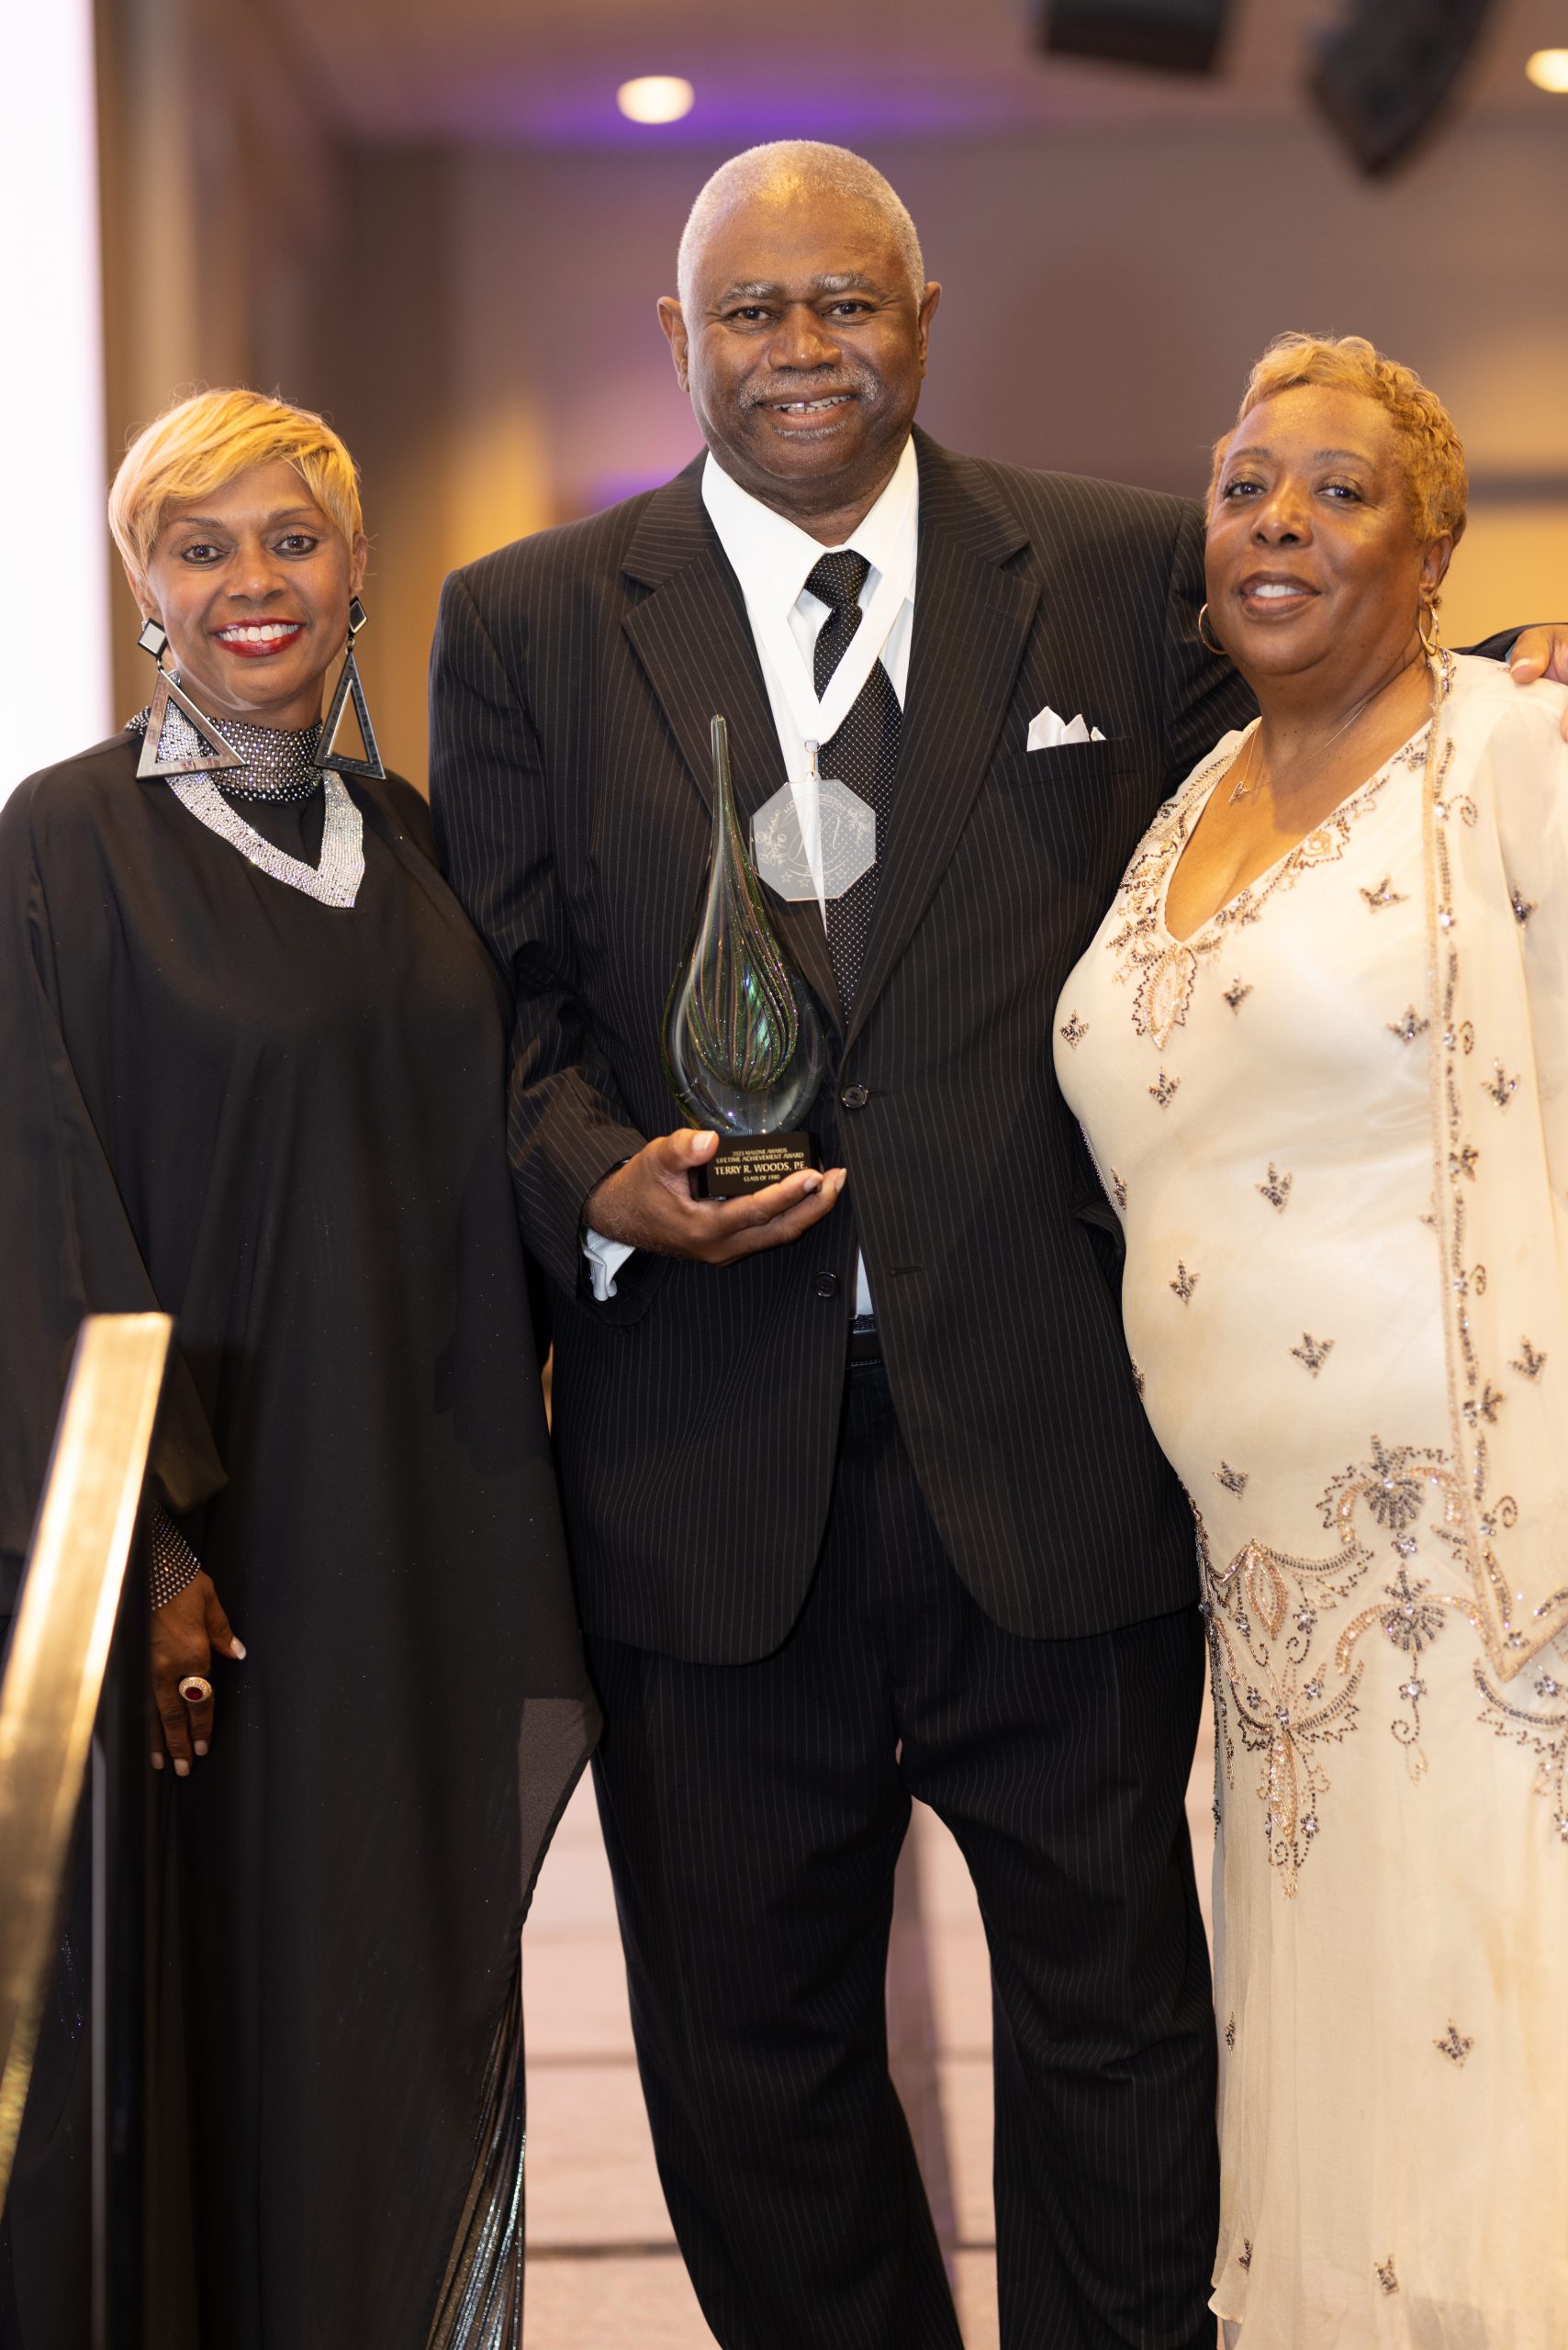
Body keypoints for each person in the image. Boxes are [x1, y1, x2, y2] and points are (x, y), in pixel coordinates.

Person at [430, 145, 1568, 2349]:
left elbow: (1333, 740)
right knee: (749, 2062)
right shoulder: (531, 621)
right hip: (701, 1469)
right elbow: (501, 1005)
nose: (801, 350)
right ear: (675, 339)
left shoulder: (1125, 571)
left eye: (845, 303)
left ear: (922, 319)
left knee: (1115, 2036)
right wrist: (594, 1175)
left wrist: (1508, 668)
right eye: (750, 311)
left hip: (1054, 1451)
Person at [0, 389, 596, 2350]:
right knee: (208, 2012)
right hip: (215, 1556)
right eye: (201, 547)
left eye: (290, 537)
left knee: (400, 1990)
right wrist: (148, 1548)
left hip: (416, 1534)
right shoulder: (66, 844)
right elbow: (42, 1204)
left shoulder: (415, 845)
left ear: (356, 569)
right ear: (145, 590)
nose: (250, 581)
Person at [1054, 333, 1568, 2344]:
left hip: (1481, 1577)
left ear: (1432, 555)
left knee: (1492, 2076)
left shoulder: (1506, 754)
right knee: (1338, 2096)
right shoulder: (1193, 790)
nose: (1277, 520)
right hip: (1268, 1617)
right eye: (1245, 484)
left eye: (1340, 492)